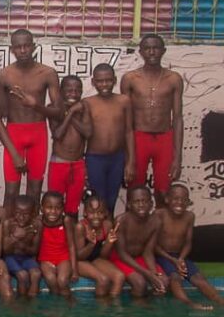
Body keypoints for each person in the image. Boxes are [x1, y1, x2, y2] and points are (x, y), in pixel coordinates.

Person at [0, 28, 63, 204]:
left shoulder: (47, 73)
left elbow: (59, 112)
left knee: (35, 189)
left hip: (38, 133)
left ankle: (33, 230)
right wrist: (13, 153)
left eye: (26, 46)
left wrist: (37, 106)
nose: (23, 50)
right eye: (18, 47)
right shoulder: (4, 75)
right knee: (10, 191)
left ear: (34, 47)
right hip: (13, 134)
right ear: (12, 49)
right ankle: (9, 230)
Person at [120, 34, 184, 207]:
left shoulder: (174, 79)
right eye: (147, 48)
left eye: (156, 47)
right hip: (138, 138)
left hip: (164, 138)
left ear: (163, 51)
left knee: (163, 192)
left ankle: (159, 232)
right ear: (141, 52)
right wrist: (129, 157)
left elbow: (177, 118)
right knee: (135, 191)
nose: (152, 52)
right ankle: (133, 232)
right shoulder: (130, 78)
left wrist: (178, 157)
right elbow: (125, 119)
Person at [155, 183, 223, 308]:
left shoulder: (189, 216)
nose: (179, 202)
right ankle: (190, 303)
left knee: (198, 278)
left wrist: (181, 259)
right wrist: (173, 260)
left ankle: (219, 301)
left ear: (188, 202)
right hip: (162, 255)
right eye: (175, 199)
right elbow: (153, 245)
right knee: (175, 277)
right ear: (167, 199)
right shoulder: (159, 214)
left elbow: (187, 242)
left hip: (179, 256)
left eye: (183, 200)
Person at [79, 64, 133, 214]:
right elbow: (83, 135)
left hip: (117, 158)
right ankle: (97, 236)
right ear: (93, 82)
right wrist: (82, 164)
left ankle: (110, 233)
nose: (104, 84)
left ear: (115, 80)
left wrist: (130, 162)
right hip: (95, 158)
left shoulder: (124, 101)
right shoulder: (88, 103)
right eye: (100, 81)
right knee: (98, 200)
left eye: (108, 80)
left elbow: (129, 132)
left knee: (111, 199)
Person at [109, 186, 167, 297]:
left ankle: (152, 310)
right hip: (120, 258)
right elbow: (122, 254)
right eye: (137, 201)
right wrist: (147, 274)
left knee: (163, 281)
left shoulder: (156, 222)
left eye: (145, 201)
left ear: (151, 204)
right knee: (139, 283)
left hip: (139, 258)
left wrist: (153, 272)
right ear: (129, 205)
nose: (141, 205)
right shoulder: (122, 220)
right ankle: (137, 311)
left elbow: (148, 252)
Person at [47, 76, 86, 218]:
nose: (73, 94)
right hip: (59, 163)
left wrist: (74, 113)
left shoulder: (83, 107)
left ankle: (71, 239)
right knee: (54, 205)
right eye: (69, 90)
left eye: (77, 90)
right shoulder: (53, 108)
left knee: (73, 208)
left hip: (78, 164)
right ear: (61, 91)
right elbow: (57, 134)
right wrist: (70, 113)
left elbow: (88, 132)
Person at [74, 195, 126, 298]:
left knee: (120, 277)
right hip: (80, 261)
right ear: (85, 213)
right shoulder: (81, 227)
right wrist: (91, 244)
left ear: (106, 213)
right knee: (103, 280)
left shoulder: (107, 225)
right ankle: (100, 312)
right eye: (92, 213)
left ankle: (112, 310)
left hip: (96, 259)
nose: (96, 216)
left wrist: (108, 243)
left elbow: (103, 256)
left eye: (100, 212)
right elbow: (78, 257)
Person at [36, 191, 77, 297]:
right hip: (45, 259)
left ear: (62, 209)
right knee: (51, 280)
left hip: (63, 258)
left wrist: (74, 269)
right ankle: (56, 306)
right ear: (42, 208)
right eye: (49, 207)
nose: (53, 211)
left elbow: (71, 245)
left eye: (57, 208)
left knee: (62, 281)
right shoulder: (38, 221)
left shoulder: (66, 221)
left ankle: (69, 304)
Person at [1, 195, 42, 297]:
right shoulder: (8, 224)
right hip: (11, 258)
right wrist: (16, 237)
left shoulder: (37, 225)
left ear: (32, 214)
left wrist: (22, 245)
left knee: (36, 274)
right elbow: (5, 250)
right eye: (18, 213)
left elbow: (34, 251)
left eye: (26, 214)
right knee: (22, 275)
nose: (21, 217)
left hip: (27, 257)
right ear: (13, 211)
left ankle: (32, 304)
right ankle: (22, 303)